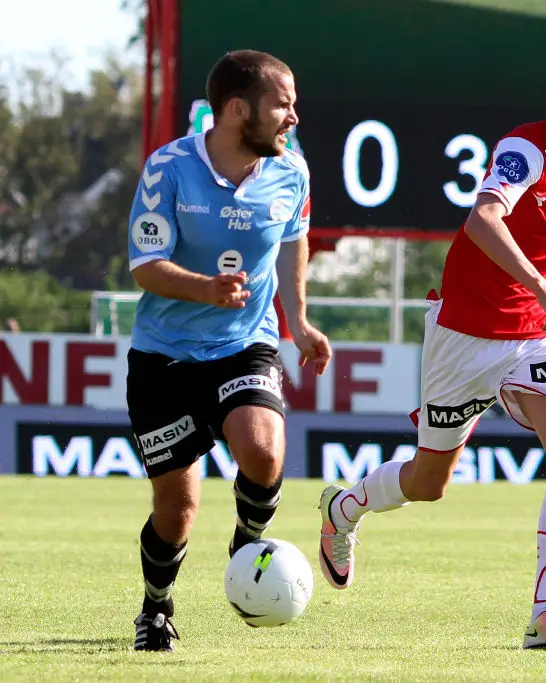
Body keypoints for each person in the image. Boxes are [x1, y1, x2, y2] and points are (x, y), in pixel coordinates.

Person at [318, 44, 546, 649]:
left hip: (532, 336)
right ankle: (344, 509)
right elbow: (483, 219)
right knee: (429, 481)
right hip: (463, 334)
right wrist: (545, 286)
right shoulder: (525, 150)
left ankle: (545, 614)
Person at [125, 49, 332, 652]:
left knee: (264, 453)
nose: (293, 116)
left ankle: (247, 545)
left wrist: (299, 322)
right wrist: (205, 289)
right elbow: (144, 265)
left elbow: (293, 244)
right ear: (239, 109)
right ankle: (156, 607)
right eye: (282, 104)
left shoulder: (292, 172)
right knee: (176, 508)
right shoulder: (168, 168)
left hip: (245, 343)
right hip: (163, 356)